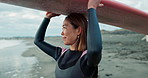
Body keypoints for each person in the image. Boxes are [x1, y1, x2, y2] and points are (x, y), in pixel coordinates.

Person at [34, 0, 103, 78]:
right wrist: (47, 17)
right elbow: (38, 41)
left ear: (78, 30)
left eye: (64, 27)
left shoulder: (86, 59)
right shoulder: (61, 54)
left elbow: (95, 49)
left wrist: (91, 8)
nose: (62, 33)